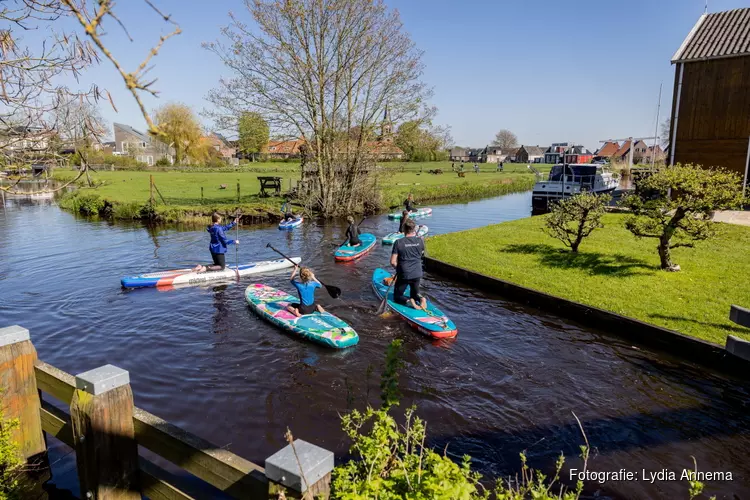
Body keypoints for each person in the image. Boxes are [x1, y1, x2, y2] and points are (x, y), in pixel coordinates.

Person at [390, 219, 427, 310]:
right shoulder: (421, 241)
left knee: (397, 296)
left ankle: (408, 301)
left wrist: (398, 268)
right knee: (414, 294)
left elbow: (393, 262)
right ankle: (422, 298)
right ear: (414, 229)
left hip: (404, 273)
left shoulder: (398, 242)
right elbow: (421, 254)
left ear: (404, 229)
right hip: (417, 272)